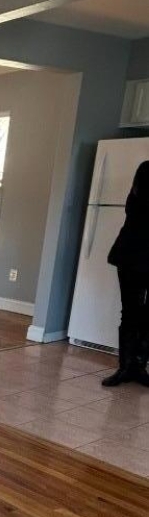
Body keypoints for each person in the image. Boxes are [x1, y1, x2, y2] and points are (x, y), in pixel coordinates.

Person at [102, 159, 149, 387]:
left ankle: (138, 366)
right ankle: (126, 368)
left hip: (136, 255)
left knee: (144, 314)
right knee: (131, 312)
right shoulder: (146, 170)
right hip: (131, 255)